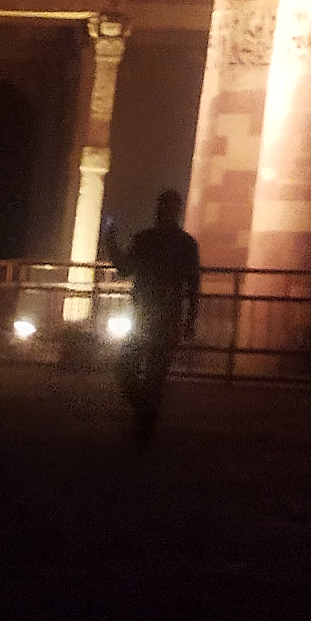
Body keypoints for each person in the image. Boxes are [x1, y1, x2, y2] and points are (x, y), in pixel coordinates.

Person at [109, 187, 201, 448]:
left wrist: (111, 244)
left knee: (134, 370)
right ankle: (146, 417)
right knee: (147, 374)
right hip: (161, 316)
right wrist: (190, 320)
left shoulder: (150, 240)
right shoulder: (183, 244)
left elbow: (125, 268)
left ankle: (144, 424)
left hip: (150, 315)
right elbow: (193, 286)